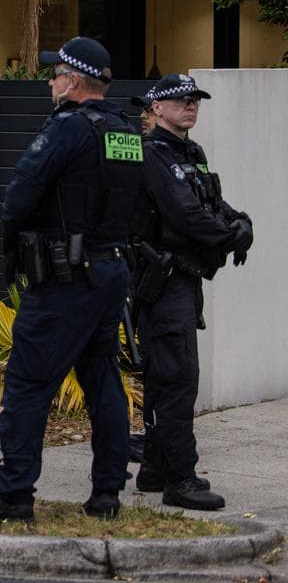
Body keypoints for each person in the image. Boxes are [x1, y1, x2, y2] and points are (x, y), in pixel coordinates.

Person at [0, 36, 140, 522]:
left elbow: (19, 195)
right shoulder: (125, 131)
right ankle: (106, 493)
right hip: (109, 272)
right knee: (102, 380)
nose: (50, 80)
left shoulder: (67, 129)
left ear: (74, 81)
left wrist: (20, 243)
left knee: (27, 382)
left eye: (56, 72)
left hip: (65, 278)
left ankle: (13, 493)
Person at [132, 73, 252, 511]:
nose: (191, 106)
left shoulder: (190, 152)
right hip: (162, 283)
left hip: (183, 280)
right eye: (181, 101)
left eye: (195, 101)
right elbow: (185, 214)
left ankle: (155, 468)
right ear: (158, 108)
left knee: (167, 377)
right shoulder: (152, 155)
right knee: (178, 379)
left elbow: (211, 202)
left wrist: (241, 222)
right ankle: (180, 479)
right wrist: (228, 235)